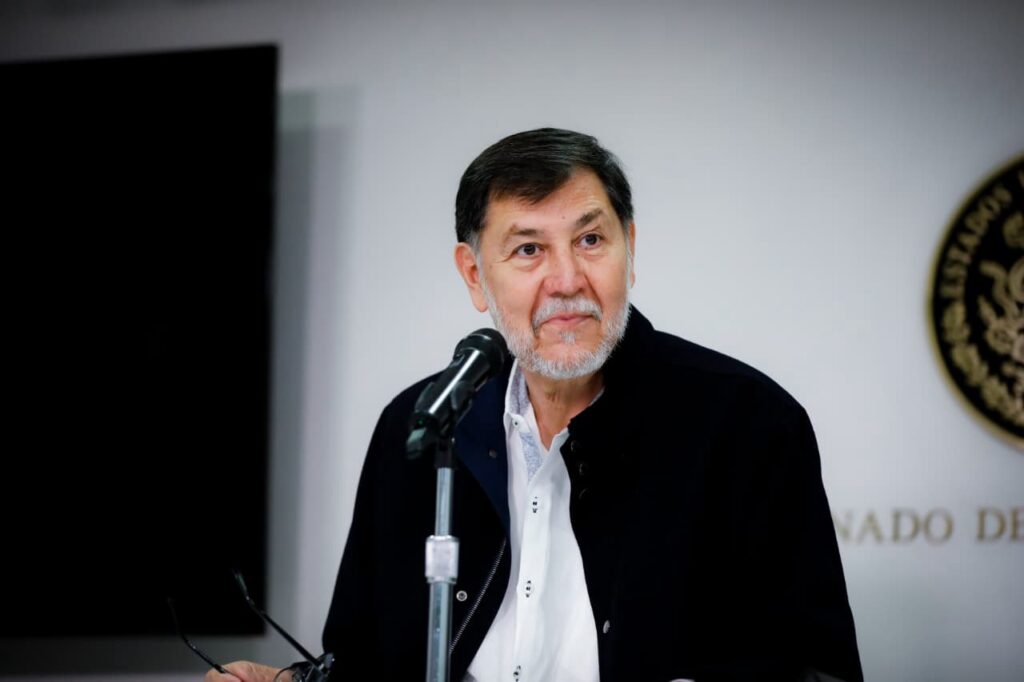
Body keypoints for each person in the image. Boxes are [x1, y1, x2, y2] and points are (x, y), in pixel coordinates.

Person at [207, 128, 862, 682]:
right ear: (475, 276)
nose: (568, 280)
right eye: (528, 249)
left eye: (590, 240)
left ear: (630, 249)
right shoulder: (425, 425)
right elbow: (364, 660)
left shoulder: (747, 425)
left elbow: (817, 669)